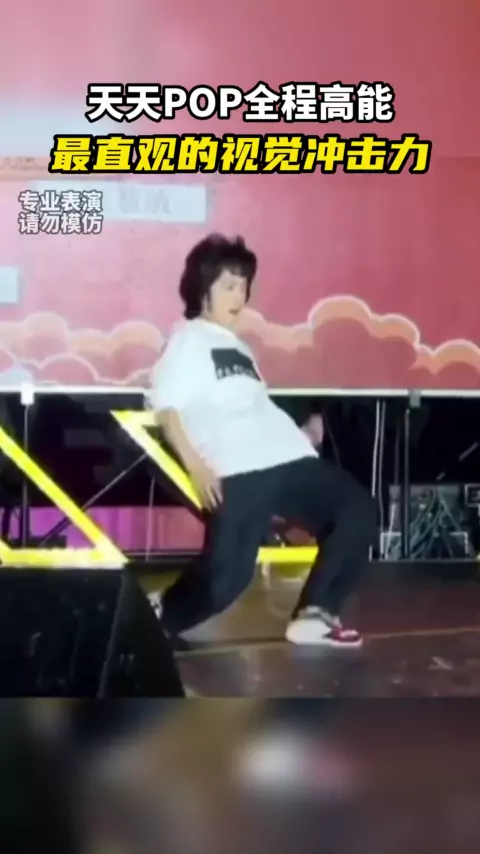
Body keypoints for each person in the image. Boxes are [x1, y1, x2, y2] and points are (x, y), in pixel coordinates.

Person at [149, 234, 378, 647]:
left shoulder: (239, 347)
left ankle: (315, 613)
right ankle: (159, 614)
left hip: (289, 458)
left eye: (244, 286)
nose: (239, 297)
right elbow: (166, 409)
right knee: (226, 582)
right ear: (202, 289)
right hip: (240, 468)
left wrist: (300, 435)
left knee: (356, 509)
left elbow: (251, 407)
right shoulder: (187, 340)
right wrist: (195, 466)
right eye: (229, 286)